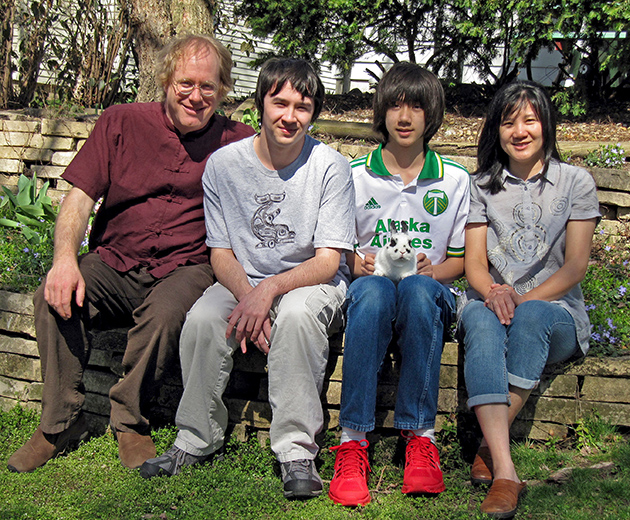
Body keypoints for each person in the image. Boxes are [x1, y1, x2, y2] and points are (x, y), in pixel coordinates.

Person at [7, 34, 255, 473]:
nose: (196, 97)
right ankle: (58, 424)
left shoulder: (239, 142)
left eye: (208, 87)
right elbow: (78, 198)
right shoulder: (119, 121)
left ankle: (129, 422)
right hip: (115, 258)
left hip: (187, 265)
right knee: (53, 297)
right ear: (165, 81)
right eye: (185, 84)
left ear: (223, 90)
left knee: (164, 317)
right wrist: (65, 260)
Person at [139, 58, 356, 500]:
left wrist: (269, 291)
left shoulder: (331, 167)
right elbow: (220, 252)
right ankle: (194, 439)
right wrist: (249, 295)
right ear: (261, 103)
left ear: (313, 113)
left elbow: (329, 261)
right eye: (280, 103)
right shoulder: (223, 166)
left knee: (295, 316)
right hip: (244, 279)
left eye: (303, 106)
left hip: (310, 283)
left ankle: (296, 451)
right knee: (202, 320)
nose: (289, 117)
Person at [327, 62, 470, 506]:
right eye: (394, 105)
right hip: (370, 288)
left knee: (416, 290)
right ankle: (352, 441)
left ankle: (420, 437)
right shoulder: (352, 175)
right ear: (381, 113)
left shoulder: (454, 180)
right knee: (371, 293)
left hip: (429, 293)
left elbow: (463, 260)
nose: (404, 117)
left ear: (432, 114)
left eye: (416, 106)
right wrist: (356, 263)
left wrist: (434, 270)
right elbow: (335, 245)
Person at [457, 81, 600, 518]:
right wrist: (494, 293)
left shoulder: (576, 182)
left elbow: (575, 266)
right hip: (491, 302)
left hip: (553, 313)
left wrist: (520, 299)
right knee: (479, 322)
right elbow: (474, 266)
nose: (519, 131)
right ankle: (505, 471)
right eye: (508, 121)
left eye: (530, 120)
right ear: (496, 130)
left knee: (534, 314)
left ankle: (486, 438)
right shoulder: (480, 185)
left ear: (546, 126)